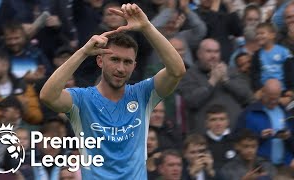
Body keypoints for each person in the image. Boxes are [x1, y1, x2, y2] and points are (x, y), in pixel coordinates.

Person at [40, 3, 186, 180]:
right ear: (100, 61)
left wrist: (147, 27)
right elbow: (47, 96)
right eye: (115, 59)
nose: (121, 68)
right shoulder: (82, 99)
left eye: (127, 62)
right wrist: (84, 52)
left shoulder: (143, 94)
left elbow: (177, 70)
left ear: (134, 66)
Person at [177, 38, 253, 132]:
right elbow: (191, 101)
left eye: (216, 52)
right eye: (209, 51)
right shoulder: (189, 75)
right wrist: (212, 82)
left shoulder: (231, 71)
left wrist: (226, 81)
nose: (213, 56)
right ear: (199, 54)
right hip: (204, 136)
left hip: (234, 134)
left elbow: (247, 96)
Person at [237, 79, 294, 170]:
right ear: (262, 93)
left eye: (276, 98)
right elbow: (237, 141)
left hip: (285, 167)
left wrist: (288, 137)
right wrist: (260, 137)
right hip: (261, 167)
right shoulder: (249, 113)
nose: (273, 101)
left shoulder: (286, 112)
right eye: (270, 98)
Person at [204, 104, 236, 170]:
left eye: (222, 119)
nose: (218, 124)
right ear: (207, 123)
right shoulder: (201, 144)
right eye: (213, 120)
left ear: (227, 122)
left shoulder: (236, 141)